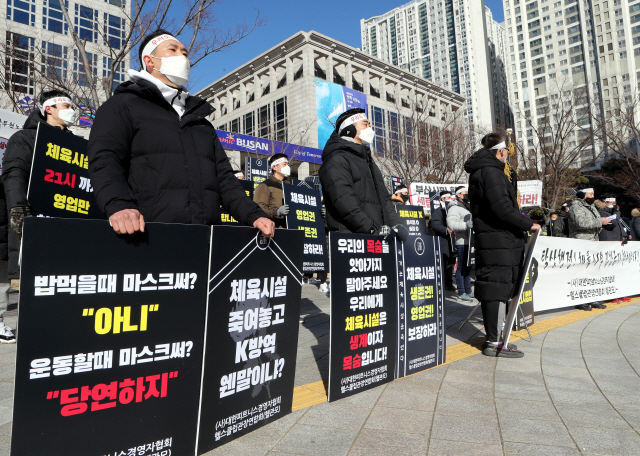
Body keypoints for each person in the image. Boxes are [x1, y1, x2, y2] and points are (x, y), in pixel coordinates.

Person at [88, 30, 273, 237]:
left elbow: (225, 180)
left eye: (185, 53)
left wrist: (254, 215)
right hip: (147, 237)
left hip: (205, 240)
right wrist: (119, 205)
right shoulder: (122, 106)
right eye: (173, 50)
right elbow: (105, 160)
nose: (183, 57)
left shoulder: (201, 123)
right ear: (150, 61)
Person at [465, 133, 541, 358]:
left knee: (497, 287)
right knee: (496, 289)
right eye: (507, 151)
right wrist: (529, 224)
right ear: (500, 151)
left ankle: (497, 339)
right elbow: (502, 209)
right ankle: (494, 342)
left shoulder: (485, 171)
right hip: (498, 240)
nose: (508, 155)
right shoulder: (492, 172)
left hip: (496, 239)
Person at [2, 90, 77, 297]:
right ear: (48, 109)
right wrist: (18, 208)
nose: (72, 111)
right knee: (28, 294)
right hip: (34, 222)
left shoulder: (76, 146)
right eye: (67, 107)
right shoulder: (25, 138)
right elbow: (14, 173)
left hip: (64, 228)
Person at [319, 108, 406, 240]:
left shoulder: (370, 163)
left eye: (370, 125)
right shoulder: (336, 160)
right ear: (349, 130)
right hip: (352, 240)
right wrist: (373, 229)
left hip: (379, 239)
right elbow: (344, 201)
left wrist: (396, 225)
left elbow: (385, 199)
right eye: (365, 125)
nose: (370, 129)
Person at [567, 184, 607, 311]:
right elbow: (580, 223)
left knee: (593, 272)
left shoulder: (591, 206)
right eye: (590, 194)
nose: (593, 197)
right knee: (581, 272)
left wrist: (600, 226)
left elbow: (593, 222)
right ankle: (581, 300)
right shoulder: (575, 206)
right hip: (581, 243)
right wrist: (600, 222)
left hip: (593, 242)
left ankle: (593, 298)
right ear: (582, 195)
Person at [446, 186, 473, 302]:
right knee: (461, 267)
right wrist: (466, 225)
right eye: (465, 192)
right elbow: (452, 224)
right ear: (458, 195)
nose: (467, 194)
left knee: (468, 267)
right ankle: (461, 291)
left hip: (471, 242)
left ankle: (468, 290)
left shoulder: (467, 207)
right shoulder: (454, 208)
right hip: (462, 242)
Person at [253, 153, 290, 229]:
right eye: (284, 164)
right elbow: (259, 210)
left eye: (288, 164)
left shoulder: (290, 187)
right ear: (274, 167)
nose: (287, 167)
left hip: (291, 231)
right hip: (275, 231)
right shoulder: (265, 186)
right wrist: (277, 212)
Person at [429, 190, 456, 291]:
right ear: (443, 199)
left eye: (451, 197)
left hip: (452, 242)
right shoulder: (438, 211)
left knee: (451, 264)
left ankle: (449, 283)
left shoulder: (452, 211)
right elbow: (435, 225)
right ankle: (443, 284)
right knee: (444, 264)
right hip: (444, 242)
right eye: (448, 198)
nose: (451, 199)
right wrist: (446, 230)